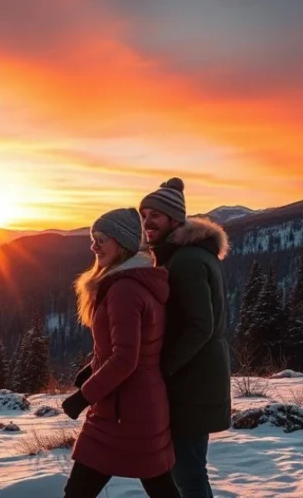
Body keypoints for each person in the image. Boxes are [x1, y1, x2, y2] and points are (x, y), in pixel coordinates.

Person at [61, 208, 180, 498]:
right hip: (134, 408)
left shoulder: (124, 289)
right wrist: (92, 368)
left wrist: (83, 396)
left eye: (101, 239)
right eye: (93, 239)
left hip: (123, 413)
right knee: (160, 488)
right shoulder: (131, 282)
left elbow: (126, 359)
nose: (94, 246)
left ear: (123, 243)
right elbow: (128, 346)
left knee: (78, 492)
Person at [139, 178, 231, 498]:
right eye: (144, 214)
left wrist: (163, 366)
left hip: (192, 380)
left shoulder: (188, 260)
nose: (148, 222)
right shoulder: (184, 256)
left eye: (156, 215)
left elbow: (199, 324)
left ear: (175, 220)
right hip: (195, 376)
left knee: (188, 472)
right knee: (186, 470)